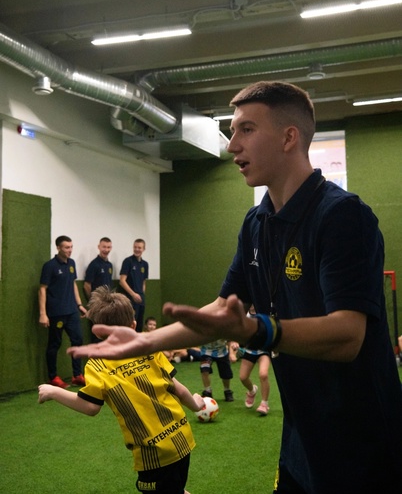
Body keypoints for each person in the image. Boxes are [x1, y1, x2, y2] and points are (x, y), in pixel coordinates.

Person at [68, 81, 402, 493]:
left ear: (288, 138)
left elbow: (348, 336)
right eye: (232, 132)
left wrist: (259, 330)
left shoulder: (343, 216)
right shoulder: (256, 222)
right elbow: (223, 310)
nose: (231, 146)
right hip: (302, 437)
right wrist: (144, 342)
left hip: (365, 441)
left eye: (246, 129)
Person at [39, 286, 205, 494]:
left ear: (97, 331)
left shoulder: (97, 364)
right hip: (182, 437)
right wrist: (196, 404)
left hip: (154, 452)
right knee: (175, 488)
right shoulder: (149, 348)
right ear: (133, 324)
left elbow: (91, 407)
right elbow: (178, 389)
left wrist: (53, 392)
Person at [39, 235, 87, 388]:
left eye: (71, 247)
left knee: (78, 340)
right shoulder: (49, 266)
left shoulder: (71, 263)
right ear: (58, 248)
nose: (70, 250)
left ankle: (77, 375)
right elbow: (42, 289)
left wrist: (79, 304)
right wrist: (43, 314)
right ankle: (53, 377)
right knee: (55, 344)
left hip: (72, 311)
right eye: (66, 247)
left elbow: (73, 284)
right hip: (56, 313)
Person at [238, 306, 271, 416]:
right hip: (250, 350)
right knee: (243, 377)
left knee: (263, 374)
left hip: (264, 350)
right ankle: (252, 391)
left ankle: (264, 404)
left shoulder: (265, 311)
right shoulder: (245, 314)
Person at [84, 237, 114, 342]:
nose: (106, 249)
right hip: (97, 306)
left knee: (107, 334)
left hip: (108, 304)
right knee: (97, 335)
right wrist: (94, 302)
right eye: (104, 247)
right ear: (99, 247)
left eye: (108, 247)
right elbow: (87, 285)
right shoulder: (94, 265)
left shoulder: (109, 265)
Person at [119, 238, 148, 332]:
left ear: (143, 249)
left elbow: (143, 282)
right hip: (130, 300)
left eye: (139, 247)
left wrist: (142, 295)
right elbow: (122, 281)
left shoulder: (145, 264)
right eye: (135, 247)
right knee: (130, 326)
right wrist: (133, 294)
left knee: (139, 326)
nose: (137, 249)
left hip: (140, 301)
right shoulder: (128, 261)